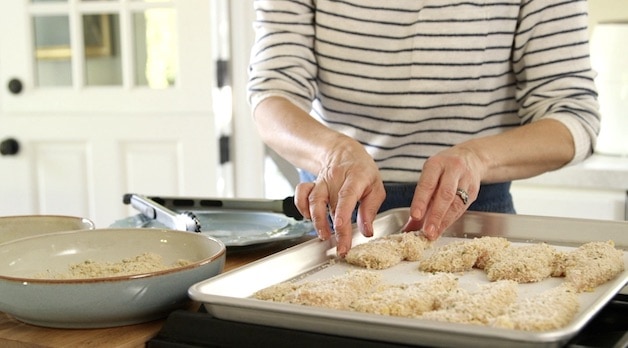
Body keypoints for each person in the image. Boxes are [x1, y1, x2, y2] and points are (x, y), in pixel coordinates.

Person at [247, 0, 600, 257]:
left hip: (476, 217)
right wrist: (333, 153)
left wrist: (476, 158)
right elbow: (273, 96)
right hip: (337, 217)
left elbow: (573, 116)